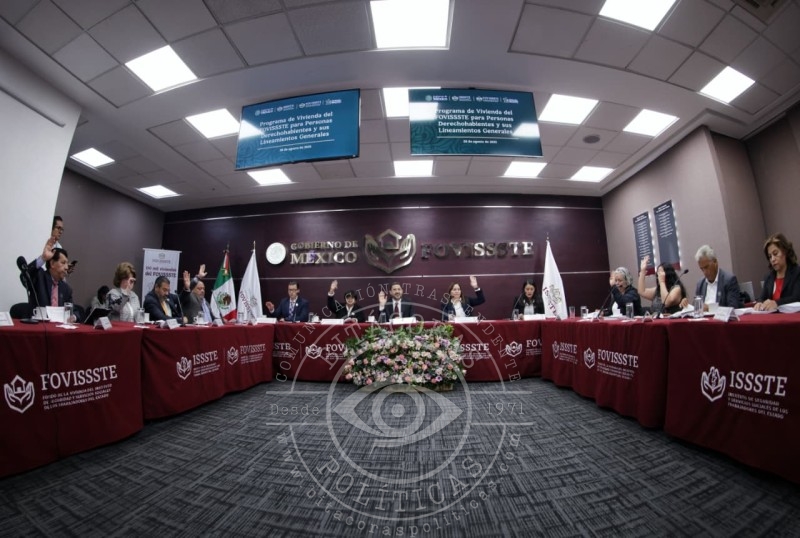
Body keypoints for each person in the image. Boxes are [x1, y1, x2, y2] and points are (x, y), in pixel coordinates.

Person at [679, 245, 743, 311]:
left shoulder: (729, 280)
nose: (705, 272)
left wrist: (710, 308)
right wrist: (687, 305)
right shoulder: (700, 284)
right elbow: (697, 308)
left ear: (715, 262)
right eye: (702, 269)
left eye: (706, 267)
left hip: (720, 318)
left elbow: (733, 308)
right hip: (703, 317)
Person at [754, 233, 800, 311]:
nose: (772, 259)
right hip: (772, 317)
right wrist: (759, 303)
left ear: (785, 252)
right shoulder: (768, 277)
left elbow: (797, 298)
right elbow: (762, 298)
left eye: (775, 254)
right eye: (770, 256)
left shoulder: (797, 272)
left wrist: (777, 303)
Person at [25, 237, 73, 308]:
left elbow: (73, 310)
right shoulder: (39, 276)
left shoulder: (66, 289)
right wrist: (43, 258)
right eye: (63, 263)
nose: (66, 267)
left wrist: (74, 314)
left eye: (67, 264)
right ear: (52, 263)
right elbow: (25, 276)